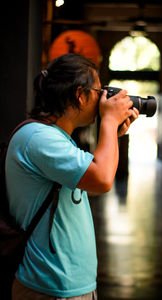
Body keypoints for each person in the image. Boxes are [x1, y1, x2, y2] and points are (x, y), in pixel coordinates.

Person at [5, 53, 139, 299]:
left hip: (66, 284)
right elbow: (102, 180)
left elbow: (93, 177)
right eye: (99, 92)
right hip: (50, 285)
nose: (102, 100)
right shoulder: (38, 137)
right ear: (80, 95)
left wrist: (112, 134)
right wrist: (108, 122)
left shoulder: (55, 137)